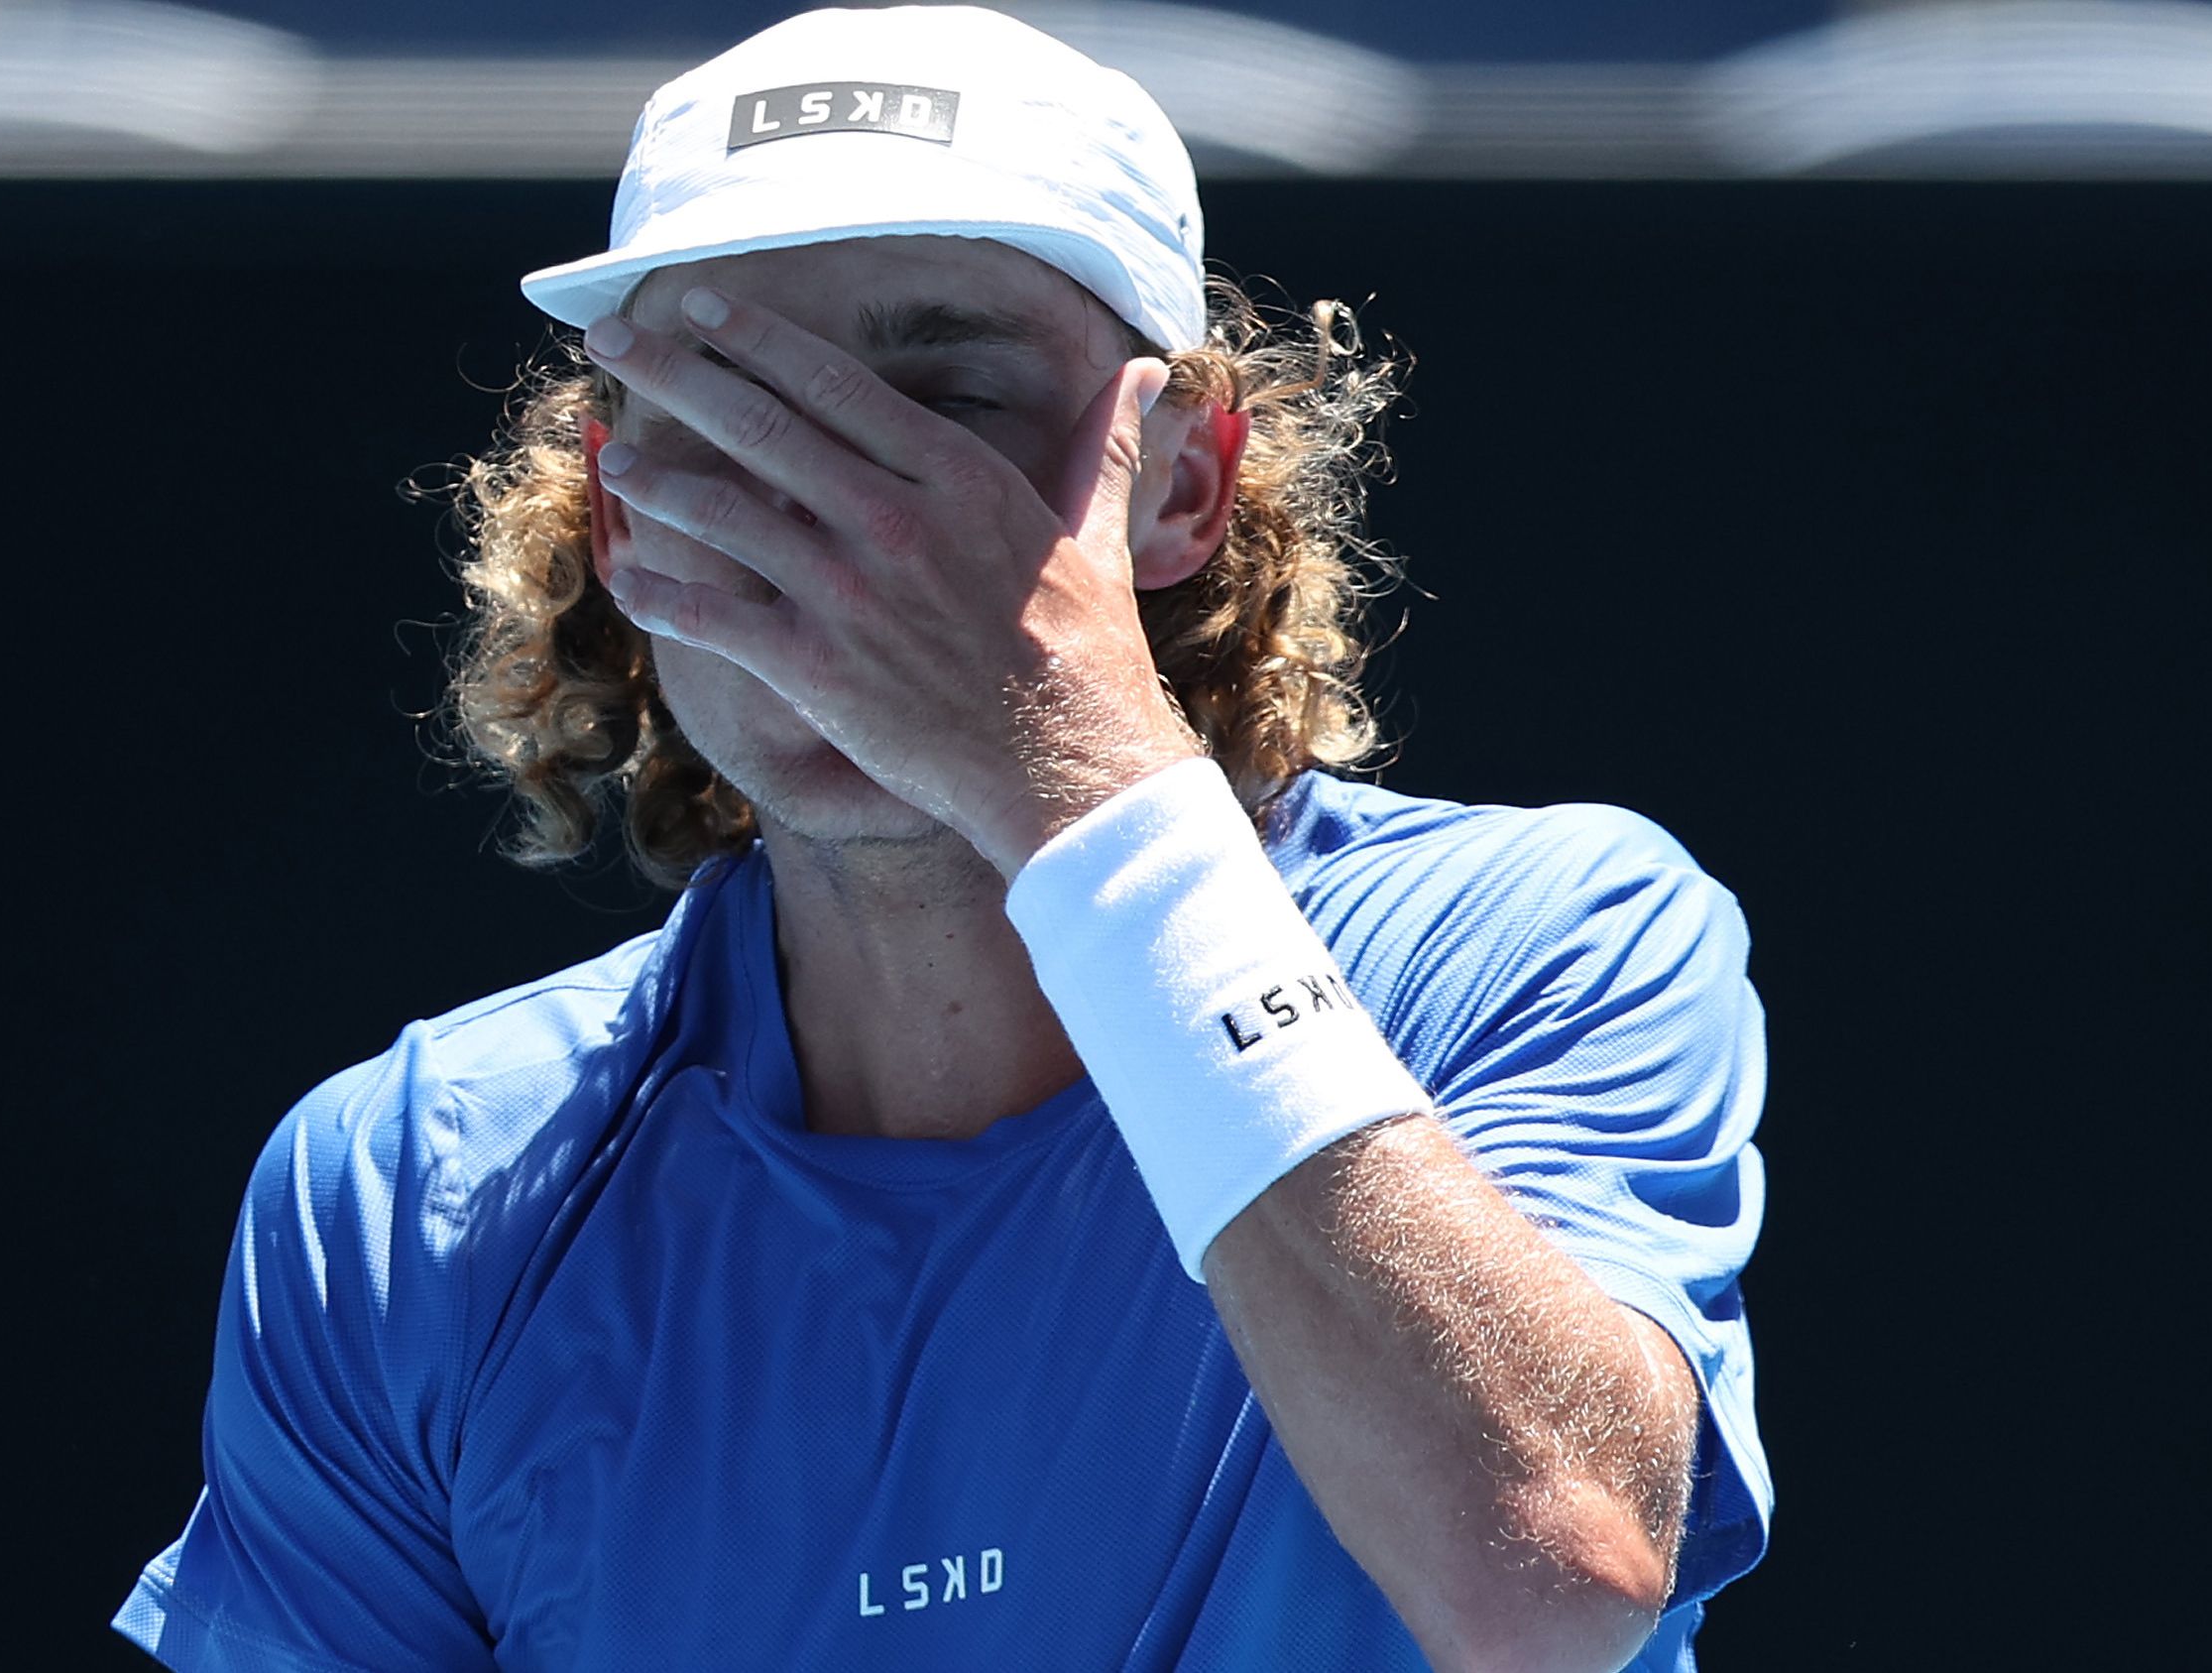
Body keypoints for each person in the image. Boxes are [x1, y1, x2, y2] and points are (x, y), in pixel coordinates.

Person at [112, 8, 1770, 1670]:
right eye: (740, 413)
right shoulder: (405, 1193)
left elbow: (1551, 1575)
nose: (849, 526)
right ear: (623, 522)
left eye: (946, 407)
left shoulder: (1548, 935)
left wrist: (1064, 759)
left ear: (1183, 485)